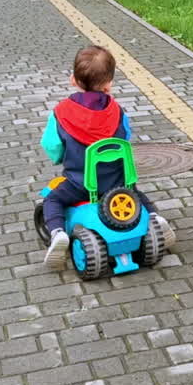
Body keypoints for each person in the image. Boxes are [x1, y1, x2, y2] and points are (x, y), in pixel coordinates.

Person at [41, 45, 174, 269]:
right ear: (109, 83)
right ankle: (154, 217)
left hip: (80, 183)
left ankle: (57, 233)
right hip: (117, 184)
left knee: (52, 199)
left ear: (73, 79)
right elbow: (125, 138)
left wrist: (60, 157)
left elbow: (51, 145)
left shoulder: (61, 112)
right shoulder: (117, 111)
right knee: (136, 194)